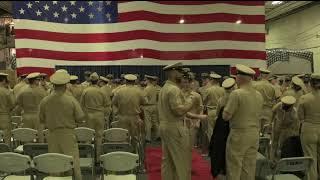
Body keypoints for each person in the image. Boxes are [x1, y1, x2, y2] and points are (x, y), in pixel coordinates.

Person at [39, 71, 84, 180]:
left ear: (53, 85)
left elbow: (41, 119)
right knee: (73, 162)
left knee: (54, 162)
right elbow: (80, 117)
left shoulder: (45, 100)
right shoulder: (70, 100)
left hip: (52, 134)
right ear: (65, 85)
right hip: (68, 134)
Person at [223, 64, 263, 180]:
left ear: (239, 78)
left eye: (236, 77)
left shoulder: (236, 93)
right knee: (249, 167)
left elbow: (226, 116)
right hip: (254, 134)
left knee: (234, 166)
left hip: (239, 134)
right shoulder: (258, 95)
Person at [158, 62, 194, 180]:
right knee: (181, 162)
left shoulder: (164, 88)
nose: (181, 75)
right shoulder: (174, 89)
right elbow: (178, 111)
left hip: (165, 126)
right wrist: (190, 102)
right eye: (179, 72)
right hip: (175, 127)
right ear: (173, 73)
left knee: (168, 161)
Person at [80, 72, 109, 158]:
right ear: (98, 81)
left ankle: (89, 157)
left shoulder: (85, 91)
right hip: (99, 115)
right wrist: (105, 115)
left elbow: (81, 105)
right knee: (99, 137)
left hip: (89, 115)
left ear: (90, 80)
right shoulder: (101, 91)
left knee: (88, 136)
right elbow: (107, 105)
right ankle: (98, 157)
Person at [298, 73, 320, 180]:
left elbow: (300, 117)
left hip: (309, 129)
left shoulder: (304, 98)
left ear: (310, 83)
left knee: (311, 158)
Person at [112, 74, 146, 142]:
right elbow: (144, 102)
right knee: (135, 137)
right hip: (134, 117)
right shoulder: (139, 91)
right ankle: (134, 151)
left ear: (125, 81)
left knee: (122, 136)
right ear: (134, 81)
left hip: (122, 117)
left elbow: (114, 102)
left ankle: (124, 151)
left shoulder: (119, 91)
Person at [16, 72, 47, 142]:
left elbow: (18, 104)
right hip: (39, 117)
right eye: (38, 80)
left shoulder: (22, 91)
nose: (39, 81)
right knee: (40, 138)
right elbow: (46, 104)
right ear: (35, 81)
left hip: (26, 116)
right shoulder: (42, 91)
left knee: (27, 138)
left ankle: (28, 152)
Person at [270, 96, 299, 161]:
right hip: (277, 125)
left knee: (283, 144)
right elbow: (273, 112)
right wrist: (270, 122)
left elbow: (295, 125)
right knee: (274, 143)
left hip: (286, 129)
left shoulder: (294, 113)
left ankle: (280, 160)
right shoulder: (278, 105)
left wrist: (294, 132)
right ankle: (271, 159)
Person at [253, 68, 276, 132]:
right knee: (266, 133)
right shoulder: (272, 87)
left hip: (257, 109)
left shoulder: (255, 85)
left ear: (260, 74)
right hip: (268, 110)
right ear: (267, 76)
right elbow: (274, 100)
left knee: (256, 131)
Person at [203, 73, 225, 139]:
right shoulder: (223, 90)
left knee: (211, 131)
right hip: (221, 112)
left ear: (212, 80)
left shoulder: (208, 90)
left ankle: (212, 146)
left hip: (211, 111)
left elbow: (204, 101)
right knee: (220, 130)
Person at [143, 75, 160, 142]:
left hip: (148, 106)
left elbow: (145, 98)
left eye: (146, 80)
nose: (145, 81)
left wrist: (144, 103)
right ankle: (158, 135)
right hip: (155, 106)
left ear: (148, 81)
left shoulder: (147, 88)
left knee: (148, 122)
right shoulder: (155, 88)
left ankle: (148, 137)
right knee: (155, 122)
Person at [0, 73, 15, 145]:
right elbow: (12, 104)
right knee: (7, 139)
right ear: (3, 81)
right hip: (4, 116)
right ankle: (6, 155)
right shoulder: (7, 92)